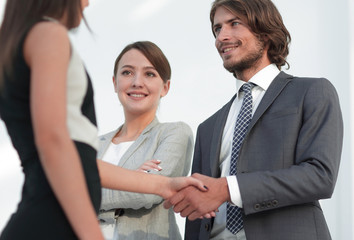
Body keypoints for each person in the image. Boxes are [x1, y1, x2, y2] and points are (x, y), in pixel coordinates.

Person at [0, 1, 206, 239]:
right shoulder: (49, 34)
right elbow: (54, 143)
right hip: (52, 220)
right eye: (127, 72)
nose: (87, 2)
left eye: (149, 73)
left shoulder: (24, 40)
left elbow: (80, 162)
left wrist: (162, 185)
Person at [164, 0, 343, 239]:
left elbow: (320, 176)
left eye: (234, 24)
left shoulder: (311, 91)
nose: (222, 37)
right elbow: (197, 212)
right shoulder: (207, 128)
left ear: (265, 32)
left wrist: (228, 188)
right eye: (217, 29)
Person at [97, 41, 193, 240]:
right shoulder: (92, 145)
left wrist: (83, 192)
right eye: (127, 73)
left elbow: (146, 194)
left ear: (165, 87)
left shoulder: (173, 133)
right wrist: (135, 178)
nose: (137, 82)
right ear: (115, 83)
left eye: (149, 74)